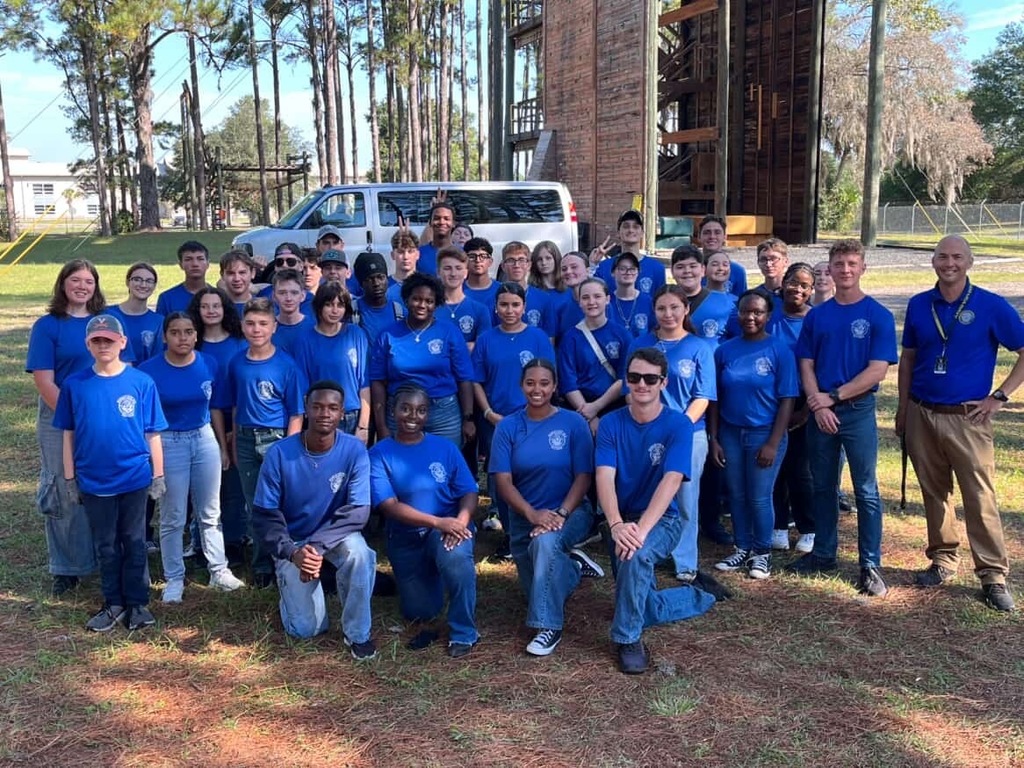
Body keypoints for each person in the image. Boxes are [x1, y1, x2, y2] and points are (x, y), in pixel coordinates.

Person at [896, 235, 1024, 612]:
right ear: (933, 261)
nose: (948, 263)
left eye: (956, 257)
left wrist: (999, 396)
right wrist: (903, 409)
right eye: (942, 257)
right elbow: (907, 361)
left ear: (969, 262)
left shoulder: (990, 305)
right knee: (934, 492)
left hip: (968, 418)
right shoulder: (920, 304)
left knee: (979, 496)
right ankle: (942, 559)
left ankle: (992, 574)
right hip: (922, 411)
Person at [596, 347, 717, 674]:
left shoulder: (678, 424)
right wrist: (618, 524)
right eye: (634, 377)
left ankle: (627, 637)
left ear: (663, 382)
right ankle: (696, 597)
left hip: (662, 518)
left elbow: (672, 480)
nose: (642, 384)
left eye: (651, 378)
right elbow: (604, 477)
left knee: (634, 556)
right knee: (643, 603)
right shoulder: (610, 424)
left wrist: (640, 532)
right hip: (620, 518)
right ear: (626, 381)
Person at [790, 239, 897, 597]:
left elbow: (878, 370)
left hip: (857, 411)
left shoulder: (877, 315)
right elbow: (805, 362)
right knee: (823, 486)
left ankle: (870, 564)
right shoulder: (818, 315)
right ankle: (823, 553)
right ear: (830, 270)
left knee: (865, 489)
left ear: (863, 267)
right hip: (821, 413)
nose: (846, 270)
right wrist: (817, 405)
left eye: (852, 263)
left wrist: (833, 398)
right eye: (839, 264)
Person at [54, 314, 167, 631]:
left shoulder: (141, 382)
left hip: (133, 477)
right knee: (105, 544)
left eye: (109, 339)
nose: (104, 345)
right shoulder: (75, 385)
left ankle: (137, 603)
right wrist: (68, 478)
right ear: (88, 345)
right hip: (93, 479)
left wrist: (157, 474)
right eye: (97, 340)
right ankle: (113, 602)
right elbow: (68, 434)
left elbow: (152, 432)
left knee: (134, 542)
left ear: (122, 342)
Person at [252, 381, 377, 656]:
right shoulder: (279, 453)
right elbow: (264, 516)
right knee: (305, 630)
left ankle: (357, 634)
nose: (325, 413)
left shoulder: (354, 450)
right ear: (306, 409)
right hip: (293, 543)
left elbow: (358, 511)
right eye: (317, 407)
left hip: (333, 537)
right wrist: (293, 553)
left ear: (342, 412)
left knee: (361, 554)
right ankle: (290, 590)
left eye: (332, 408)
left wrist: (316, 548)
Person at [490, 359, 603, 657]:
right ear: (521, 386)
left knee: (544, 545)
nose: (536, 389)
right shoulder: (508, 427)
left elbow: (584, 477)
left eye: (544, 383)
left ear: (554, 387)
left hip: (571, 511)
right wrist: (532, 514)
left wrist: (561, 514)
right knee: (538, 590)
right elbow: (503, 481)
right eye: (530, 383)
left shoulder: (573, 423)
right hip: (525, 515)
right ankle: (574, 566)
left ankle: (548, 627)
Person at [27, 260, 123, 596]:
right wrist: (72, 418)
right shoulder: (48, 326)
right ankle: (66, 568)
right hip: (59, 419)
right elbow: (44, 380)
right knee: (63, 489)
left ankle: (102, 557)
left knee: (101, 488)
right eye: (75, 280)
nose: (82, 286)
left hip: (104, 418)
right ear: (62, 284)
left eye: (88, 281)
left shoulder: (106, 322)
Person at [138, 313, 245, 602]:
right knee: (173, 515)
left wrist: (222, 447)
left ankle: (218, 569)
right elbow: (146, 420)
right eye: (175, 332)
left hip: (203, 436)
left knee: (210, 511)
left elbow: (215, 408)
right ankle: (174, 577)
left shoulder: (207, 363)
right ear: (164, 337)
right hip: (168, 440)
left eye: (188, 332)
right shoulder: (149, 371)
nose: (182, 338)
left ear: (196, 335)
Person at [369, 386, 480, 657]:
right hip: (407, 538)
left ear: (428, 414)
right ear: (394, 410)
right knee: (421, 612)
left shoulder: (445, 448)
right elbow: (389, 506)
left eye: (420, 410)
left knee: (455, 556)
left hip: (448, 530)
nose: (412, 416)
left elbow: (469, 491)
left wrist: (460, 522)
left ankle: (464, 632)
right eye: (405, 408)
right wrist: (437, 522)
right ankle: (436, 576)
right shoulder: (379, 453)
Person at [628, 284, 718, 579]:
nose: (668, 314)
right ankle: (649, 551)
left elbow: (702, 397)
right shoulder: (642, 344)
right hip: (646, 431)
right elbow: (629, 388)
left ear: (686, 309)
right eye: (661, 308)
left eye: (674, 307)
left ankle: (685, 562)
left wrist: (678, 428)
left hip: (688, 433)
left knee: (685, 497)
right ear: (653, 312)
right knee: (649, 494)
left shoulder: (699, 348)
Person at [710, 292, 797, 580]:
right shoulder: (725, 351)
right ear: (738, 313)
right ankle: (742, 547)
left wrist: (773, 442)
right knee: (736, 494)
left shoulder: (779, 350)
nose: (751, 317)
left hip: (765, 433)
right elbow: (715, 398)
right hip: (730, 433)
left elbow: (787, 399)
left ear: (768, 316)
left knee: (759, 497)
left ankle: (762, 553)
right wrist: (714, 437)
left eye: (758, 312)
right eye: (746, 312)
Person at [224, 297, 306, 588]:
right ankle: (261, 566)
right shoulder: (237, 363)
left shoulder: (287, 365)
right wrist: (233, 441)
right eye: (250, 323)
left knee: (277, 503)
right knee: (254, 503)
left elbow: (297, 412)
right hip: (246, 437)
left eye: (262, 324)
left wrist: (291, 449)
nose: (256, 329)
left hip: (276, 439)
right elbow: (235, 406)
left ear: (273, 327)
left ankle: (283, 560)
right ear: (243, 326)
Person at [472, 282, 556, 554]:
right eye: (504, 304)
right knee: (500, 477)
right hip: (495, 420)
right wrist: (487, 413)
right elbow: (477, 381)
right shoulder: (486, 339)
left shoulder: (538, 338)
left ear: (524, 307)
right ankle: (510, 534)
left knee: (531, 473)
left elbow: (549, 380)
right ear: (495, 308)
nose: (510, 310)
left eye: (515, 304)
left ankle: (534, 525)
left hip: (532, 418)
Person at [369, 272, 476, 446]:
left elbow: (464, 378)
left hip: (443, 415)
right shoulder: (387, 334)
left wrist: (468, 418)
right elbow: (377, 382)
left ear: (436, 304)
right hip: (400, 413)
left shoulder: (449, 332)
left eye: (429, 301)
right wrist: (381, 426)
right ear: (406, 300)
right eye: (416, 299)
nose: (422, 305)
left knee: (442, 468)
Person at [189, 287, 248, 562]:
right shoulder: (194, 344)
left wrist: (231, 431)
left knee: (233, 484)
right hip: (201, 422)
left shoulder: (239, 342)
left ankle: (234, 540)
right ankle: (203, 542)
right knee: (206, 487)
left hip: (236, 419)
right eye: (205, 306)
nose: (211, 311)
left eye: (216, 305)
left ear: (225, 309)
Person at [768, 263, 817, 554]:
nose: (797, 289)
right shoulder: (769, 315)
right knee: (776, 467)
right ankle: (778, 524)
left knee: (801, 469)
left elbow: (821, 366)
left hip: (804, 401)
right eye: (793, 282)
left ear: (811, 290)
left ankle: (808, 527)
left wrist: (807, 410)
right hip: (770, 400)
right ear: (783, 282)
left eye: (804, 285)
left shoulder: (816, 320)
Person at [292, 281, 371, 440]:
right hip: (321, 417)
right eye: (329, 304)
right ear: (319, 306)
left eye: (340, 305)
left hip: (351, 415)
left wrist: (363, 426)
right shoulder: (304, 340)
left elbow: (364, 383)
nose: (335, 310)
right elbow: (302, 387)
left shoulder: (356, 334)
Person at [558, 277, 631, 435]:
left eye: (597, 296)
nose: (591, 302)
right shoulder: (570, 338)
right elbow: (568, 383)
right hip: (580, 409)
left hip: (614, 407)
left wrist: (596, 407)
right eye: (585, 297)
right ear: (579, 302)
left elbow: (624, 377)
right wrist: (589, 416)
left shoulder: (622, 334)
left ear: (607, 299)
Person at [591, 210, 666, 297]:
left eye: (635, 226)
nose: (631, 230)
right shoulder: (604, 267)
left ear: (642, 233)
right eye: (626, 226)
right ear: (618, 233)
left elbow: (662, 301)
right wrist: (593, 265)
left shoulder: (657, 268)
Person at [435, 245, 492, 352]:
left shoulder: (480, 310)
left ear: (466, 273)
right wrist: (467, 346)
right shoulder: (430, 309)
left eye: (458, 268)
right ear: (438, 272)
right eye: (447, 268)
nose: (453, 273)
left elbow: (483, 349)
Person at [108, 262, 164, 363]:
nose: (143, 285)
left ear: (154, 286)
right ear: (127, 282)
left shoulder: (158, 321)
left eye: (149, 281)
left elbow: (157, 358)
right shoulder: (109, 314)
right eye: (137, 279)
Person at [500, 241, 557, 337]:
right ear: (503, 266)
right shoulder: (494, 298)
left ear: (529, 265)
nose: (516, 265)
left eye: (521, 260)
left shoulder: (544, 299)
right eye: (511, 260)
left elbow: (549, 339)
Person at [353, 251, 406, 345]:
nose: (376, 284)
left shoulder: (399, 311)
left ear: (387, 279)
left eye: (380, 277)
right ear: (361, 283)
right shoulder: (351, 311)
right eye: (370, 279)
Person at [156, 241, 211, 315]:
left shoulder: (218, 296)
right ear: (181, 264)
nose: (195, 264)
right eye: (188, 259)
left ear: (207, 264)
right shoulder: (167, 298)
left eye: (200, 259)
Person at [607, 252, 655, 338]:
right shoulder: (606, 302)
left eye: (632, 269)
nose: (628, 272)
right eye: (622, 269)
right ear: (613, 272)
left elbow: (655, 332)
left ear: (638, 272)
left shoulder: (648, 301)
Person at [698, 215, 747, 298]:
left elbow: (741, 303)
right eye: (707, 232)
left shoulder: (737, 271)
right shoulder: (692, 268)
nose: (712, 237)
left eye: (717, 232)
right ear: (699, 237)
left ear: (725, 237)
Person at [270, 268, 314, 356]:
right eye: (282, 293)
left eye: (294, 293)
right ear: (273, 296)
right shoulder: (267, 330)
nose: (288, 298)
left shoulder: (315, 328)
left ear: (303, 296)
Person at [529, 240, 573, 320]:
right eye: (539, 259)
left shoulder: (569, 289)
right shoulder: (530, 291)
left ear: (556, 259)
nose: (544, 263)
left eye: (548, 258)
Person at [416, 201, 456, 277]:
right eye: (437, 218)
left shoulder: (462, 252)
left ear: (453, 223)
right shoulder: (419, 254)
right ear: (430, 222)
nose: (441, 222)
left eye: (446, 219)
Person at [463, 237, 500, 311]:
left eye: (483, 256)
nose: (478, 260)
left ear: (490, 261)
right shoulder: (457, 291)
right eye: (472, 256)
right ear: (464, 261)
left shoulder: (502, 290)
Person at [220, 250, 258, 315]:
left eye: (242, 272)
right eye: (231, 273)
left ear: (253, 273)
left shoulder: (262, 307)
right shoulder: (215, 309)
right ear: (222, 275)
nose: (237, 279)